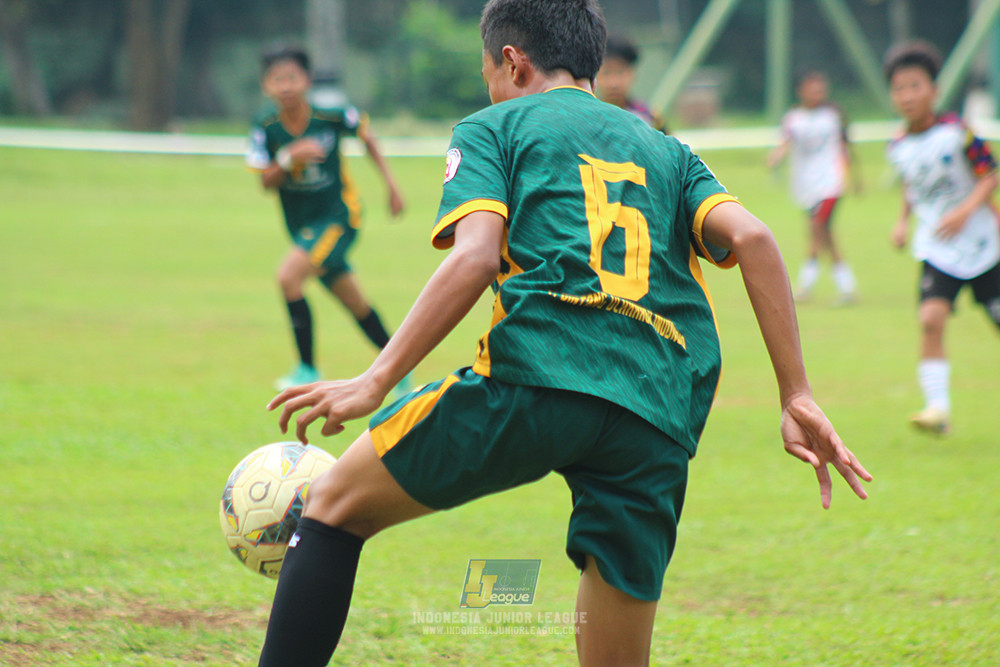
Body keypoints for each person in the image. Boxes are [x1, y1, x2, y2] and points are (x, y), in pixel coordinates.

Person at [259, 2, 872, 665]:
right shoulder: (667, 149)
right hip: (656, 410)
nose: (487, 87)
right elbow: (753, 237)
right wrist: (795, 391)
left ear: (513, 63)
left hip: (538, 375)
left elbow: (472, 258)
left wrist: (375, 379)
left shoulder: (496, 124)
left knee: (331, 505)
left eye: (487, 70)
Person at [246, 46, 409, 392]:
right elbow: (264, 181)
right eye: (277, 80)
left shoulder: (330, 116)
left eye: (292, 77)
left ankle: (306, 370)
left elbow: (367, 134)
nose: (285, 86)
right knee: (354, 301)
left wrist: (391, 185)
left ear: (306, 80)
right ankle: (399, 366)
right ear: (265, 86)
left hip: (339, 219)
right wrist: (290, 157)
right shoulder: (265, 126)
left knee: (288, 276)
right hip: (302, 227)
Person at [884, 41, 1000, 435]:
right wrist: (901, 222)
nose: (907, 96)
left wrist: (965, 211)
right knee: (930, 319)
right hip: (937, 247)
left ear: (933, 89)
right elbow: (912, 186)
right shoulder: (897, 145)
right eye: (899, 88)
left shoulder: (959, 133)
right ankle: (937, 409)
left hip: (984, 245)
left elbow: (990, 174)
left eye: (915, 86)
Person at [767, 70, 858, 304]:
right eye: (812, 88)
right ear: (801, 91)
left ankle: (805, 286)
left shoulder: (833, 115)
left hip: (831, 183)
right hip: (807, 186)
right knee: (825, 234)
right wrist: (776, 157)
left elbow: (847, 146)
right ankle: (847, 287)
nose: (817, 93)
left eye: (820, 88)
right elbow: (785, 142)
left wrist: (854, 177)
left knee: (817, 229)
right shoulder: (794, 118)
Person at [596, 35, 669, 133]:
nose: (614, 83)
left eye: (620, 72)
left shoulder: (648, 117)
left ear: (633, 74)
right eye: (607, 73)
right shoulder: (590, 117)